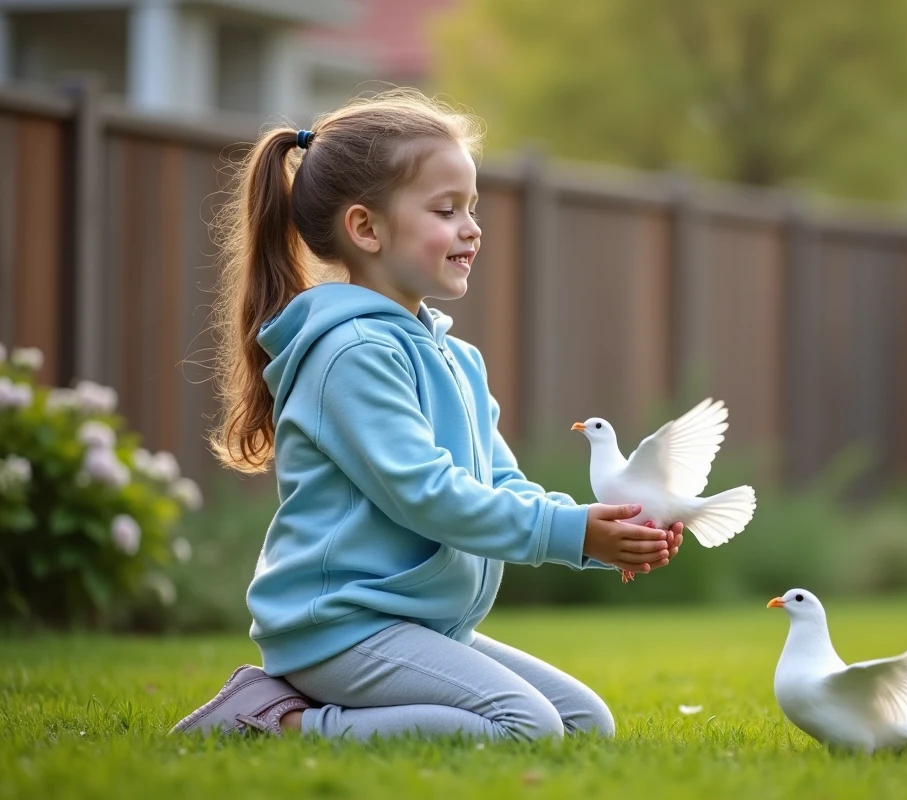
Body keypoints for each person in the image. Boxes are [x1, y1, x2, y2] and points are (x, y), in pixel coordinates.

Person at [170, 89, 683, 742]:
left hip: (417, 624)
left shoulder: (455, 358)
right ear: (366, 228)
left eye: (472, 207)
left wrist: (601, 534)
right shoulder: (351, 356)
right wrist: (569, 531)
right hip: (339, 626)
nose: (471, 227)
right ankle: (277, 721)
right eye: (446, 210)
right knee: (529, 728)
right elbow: (427, 495)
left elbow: (501, 486)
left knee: (586, 724)